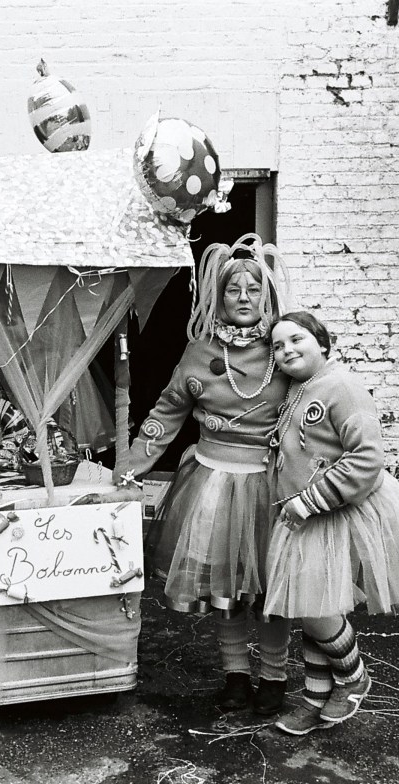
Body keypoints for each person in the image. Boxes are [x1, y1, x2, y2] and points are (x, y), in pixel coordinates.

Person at [116, 234, 293, 718]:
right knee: (227, 591)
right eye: (233, 289)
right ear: (217, 296)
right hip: (211, 485)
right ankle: (236, 676)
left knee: (269, 592)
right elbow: (168, 410)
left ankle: (274, 679)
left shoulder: (286, 348)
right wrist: (129, 468)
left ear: (266, 296)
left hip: (268, 488)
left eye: (252, 290)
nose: (242, 298)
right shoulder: (198, 350)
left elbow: (318, 410)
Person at [263, 311, 399, 736]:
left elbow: (367, 458)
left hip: (332, 510)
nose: (287, 350)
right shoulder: (299, 387)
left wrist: (310, 502)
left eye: (296, 339)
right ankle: (315, 698)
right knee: (313, 603)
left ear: (322, 343)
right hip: (304, 511)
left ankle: (354, 675)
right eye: (278, 347)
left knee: (317, 610)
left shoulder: (343, 386)